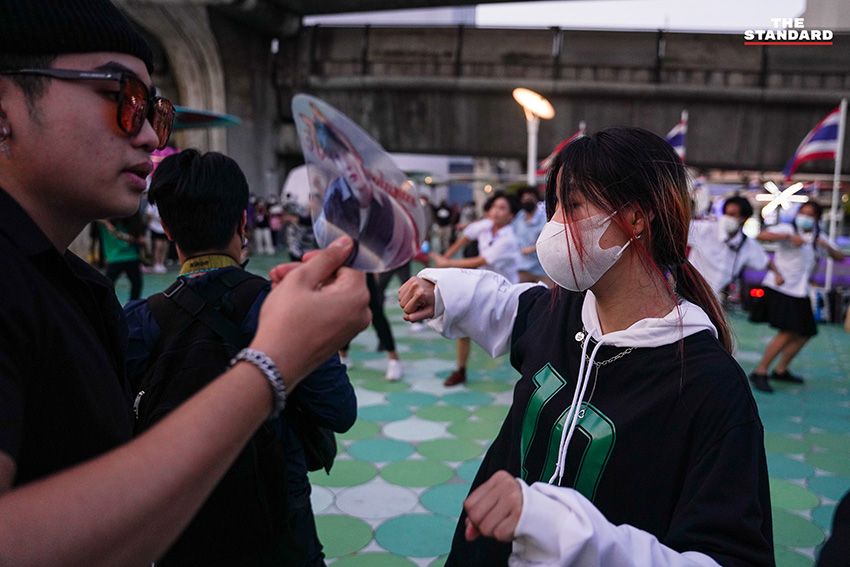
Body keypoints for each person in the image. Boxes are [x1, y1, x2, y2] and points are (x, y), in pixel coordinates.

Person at [0, 2, 369, 565]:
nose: (150, 134)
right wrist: (274, 362)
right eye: (122, 99)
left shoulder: (93, 296)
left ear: (168, 229)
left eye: (156, 111)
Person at [400, 127, 773, 567]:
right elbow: (504, 303)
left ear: (636, 218)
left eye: (572, 206)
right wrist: (442, 290)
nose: (554, 226)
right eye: (553, 207)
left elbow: (727, 556)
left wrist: (566, 534)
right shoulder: (562, 310)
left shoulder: (711, 388)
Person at [124, 149, 355, 565]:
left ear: (170, 232)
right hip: (277, 516)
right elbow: (339, 410)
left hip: (177, 521)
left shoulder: (139, 321)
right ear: (243, 222)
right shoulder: (286, 307)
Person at [748, 201, 845, 393]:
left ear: (817, 219)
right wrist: (787, 236)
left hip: (800, 290)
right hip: (781, 287)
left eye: (810, 215)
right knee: (788, 331)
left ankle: (780, 369)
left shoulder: (818, 236)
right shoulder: (787, 228)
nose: (805, 218)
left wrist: (826, 246)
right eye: (803, 213)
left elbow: (839, 257)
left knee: (806, 331)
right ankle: (760, 371)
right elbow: (760, 235)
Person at [429, 191, 521, 386]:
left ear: (511, 216)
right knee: (462, 323)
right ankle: (460, 371)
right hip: (484, 287)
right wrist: (447, 255)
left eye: (502, 208)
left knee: (516, 337)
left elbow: (479, 261)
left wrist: (447, 263)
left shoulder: (508, 239)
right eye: (494, 206)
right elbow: (465, 237)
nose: (496, 211)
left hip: (506, 294)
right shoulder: (486, 225)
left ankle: (528, 374)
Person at [314, 125, 413, 271]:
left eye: (346, 153)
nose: (345, 164)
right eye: (336, 158)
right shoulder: (334, 201)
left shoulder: (386, 202)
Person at [688, 195, 783, 302]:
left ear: (743, 219)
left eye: (732, 214)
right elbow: (676, 231)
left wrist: (778, 274)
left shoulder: (746, 244)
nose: (727, 218)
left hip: (713, 297)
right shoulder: (705, 229)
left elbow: (765, 262)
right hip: (688, 290)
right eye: (725, 214)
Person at [98, 209, 146, 301]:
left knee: (137, 284)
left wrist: (122, 236)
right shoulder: (106, 223)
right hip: (115, 258)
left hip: (130, 256)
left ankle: (132, 305)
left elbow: (135, 238)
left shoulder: (130, 224)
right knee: (107, 285)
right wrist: (107, 224)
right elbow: (92, 216)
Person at [512, 185, 553, 287]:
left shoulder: (544, 217)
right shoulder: (519, 218)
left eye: (530, 199)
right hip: (522, 268)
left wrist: (532, 248)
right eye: (524, 199)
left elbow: (549, 240)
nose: (527, 202)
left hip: (542, 270)